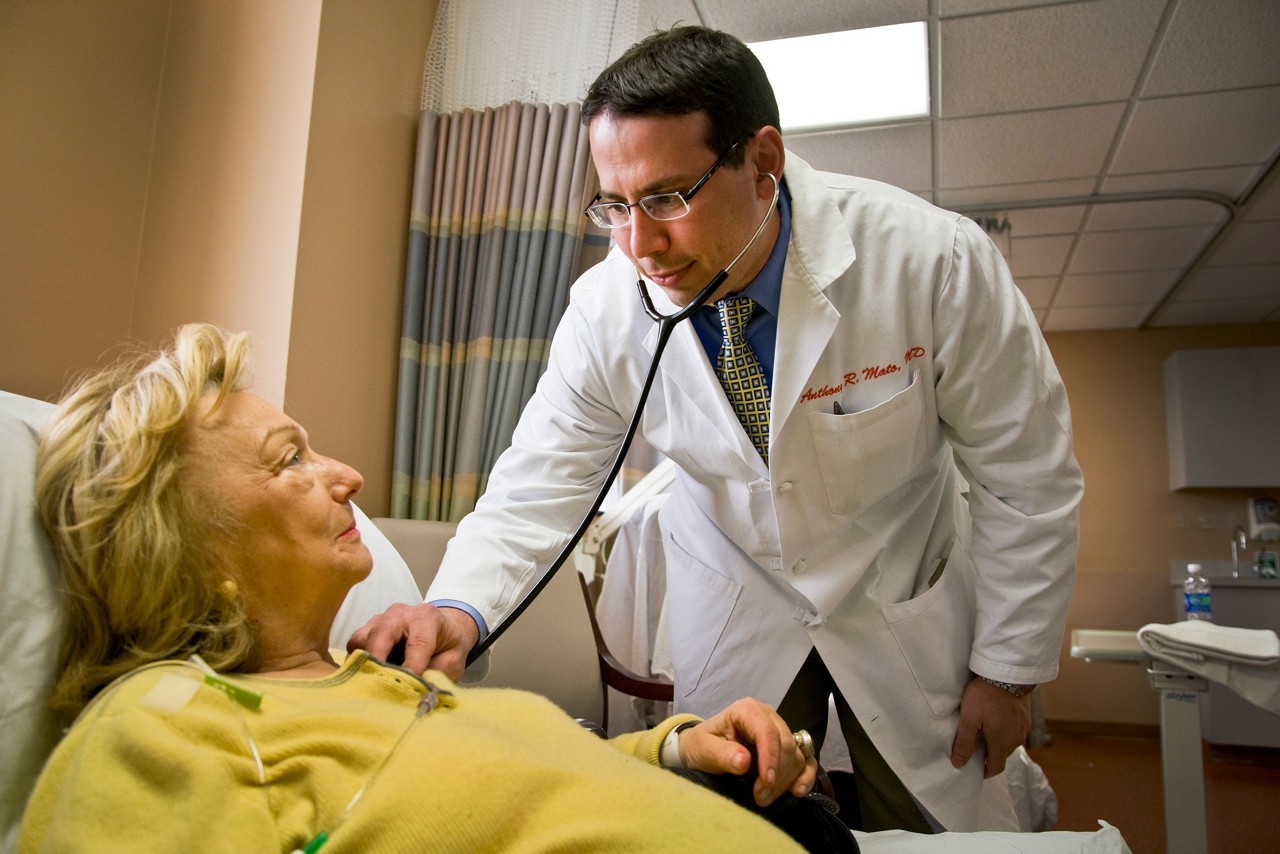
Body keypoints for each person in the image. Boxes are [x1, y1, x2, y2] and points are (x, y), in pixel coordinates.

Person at [351, 25, 1084, 833]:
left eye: (667, 198)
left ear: (762, 162)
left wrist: (1007, 673)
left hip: (900, 589)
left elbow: (1028, 478)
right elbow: (542, 482)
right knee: (736, 827)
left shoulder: (927, 261)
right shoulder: (607, 309)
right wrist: (458, 608)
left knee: (933, 821)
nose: (640, 245)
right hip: (737, 594)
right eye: (614, 206)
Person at [19, 323, 820, 853]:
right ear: (189, 551)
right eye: (290, 459)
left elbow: (525, 784)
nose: (347, 476)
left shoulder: (372, 684)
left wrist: (678, 748)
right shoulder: (165, 724)